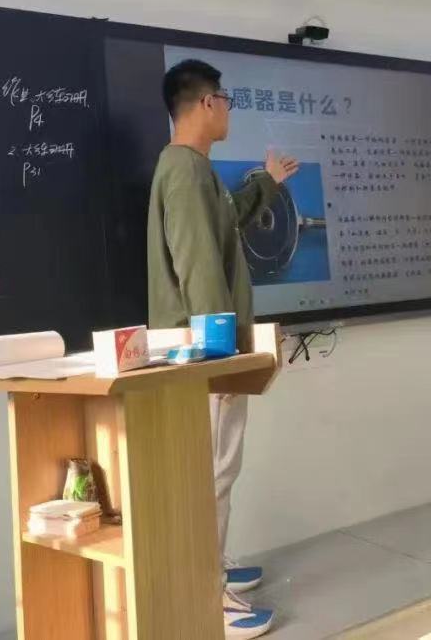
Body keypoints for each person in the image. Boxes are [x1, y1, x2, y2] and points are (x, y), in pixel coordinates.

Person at [147, 59, 299, 639]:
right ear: (208, 103)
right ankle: (206, 597)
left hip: (201, 350)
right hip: (202, 354)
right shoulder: (184, 172)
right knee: (210, 471)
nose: (229, 110)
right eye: (226, 100)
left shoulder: (191, 169)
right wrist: (221, 356)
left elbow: (225, 222)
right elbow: (198, 264)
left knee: (216, 468)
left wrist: (267, 182)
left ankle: (212, 567)